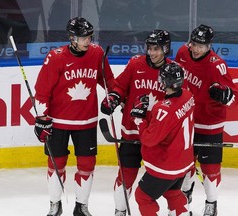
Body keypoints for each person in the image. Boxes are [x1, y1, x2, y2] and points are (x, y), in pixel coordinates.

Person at [33, 17, 115, 216]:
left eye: (89, 36)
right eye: (82, 37)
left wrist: (112, 96)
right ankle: (55, 204)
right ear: (71, 38)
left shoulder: (96, 53)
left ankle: (81, 206)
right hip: (58, 122)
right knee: (56, 163)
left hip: (87, 121)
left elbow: (108, 80)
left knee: (87, 164)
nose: (87, 40)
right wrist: (42, 119)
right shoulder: (56, 57)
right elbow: (42, 90)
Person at [100, 29, 174, 216]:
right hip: (131, 132)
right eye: (150, 48)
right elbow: (120, 86)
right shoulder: (135, 63)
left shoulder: (172, 70)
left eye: (157, 48)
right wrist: (114, 98)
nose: (152, 52)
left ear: (166, 48)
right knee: (126, 176)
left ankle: (177, 208)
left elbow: (178, 100)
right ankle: (120, 210)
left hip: (157, 136)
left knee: (164, 179)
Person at [175, 24, 238, 216]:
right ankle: (184, 197)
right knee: (183, 165)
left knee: (210, 170)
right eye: (195, 44)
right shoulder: (182, 53)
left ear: (210, 46)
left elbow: (235, 98)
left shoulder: (217, 65)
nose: (196, 49)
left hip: (210, 124)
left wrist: (224, 95)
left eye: (202, 46)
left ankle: (211, 204)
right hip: (186, 122)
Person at [130, 62, 195, 216]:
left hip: (167, 165)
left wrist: (139, 119)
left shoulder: (163, 109)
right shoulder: (188, 96)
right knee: (173, 193)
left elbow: (149, 139)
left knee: (143, 197)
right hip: (184, 162)